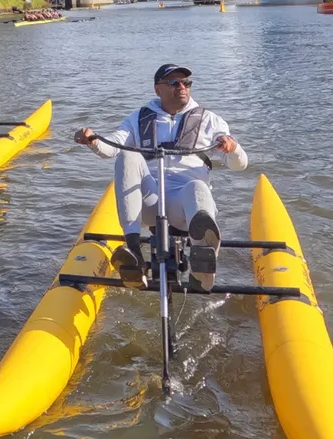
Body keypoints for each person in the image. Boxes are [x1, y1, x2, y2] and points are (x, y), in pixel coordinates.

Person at [73, 63, 247, 291]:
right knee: (127, 156)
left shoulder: (210, 120)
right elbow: (112, 147)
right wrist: (93, 140)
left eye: (186, 83)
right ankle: (134, 254)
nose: (182, 87)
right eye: (174, 83)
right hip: (150, 203)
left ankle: (202, 262)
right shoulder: (138, 118)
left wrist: (232, 148)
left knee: (196, 186)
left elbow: (240, 165)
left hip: (186, 208)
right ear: (158, 89)